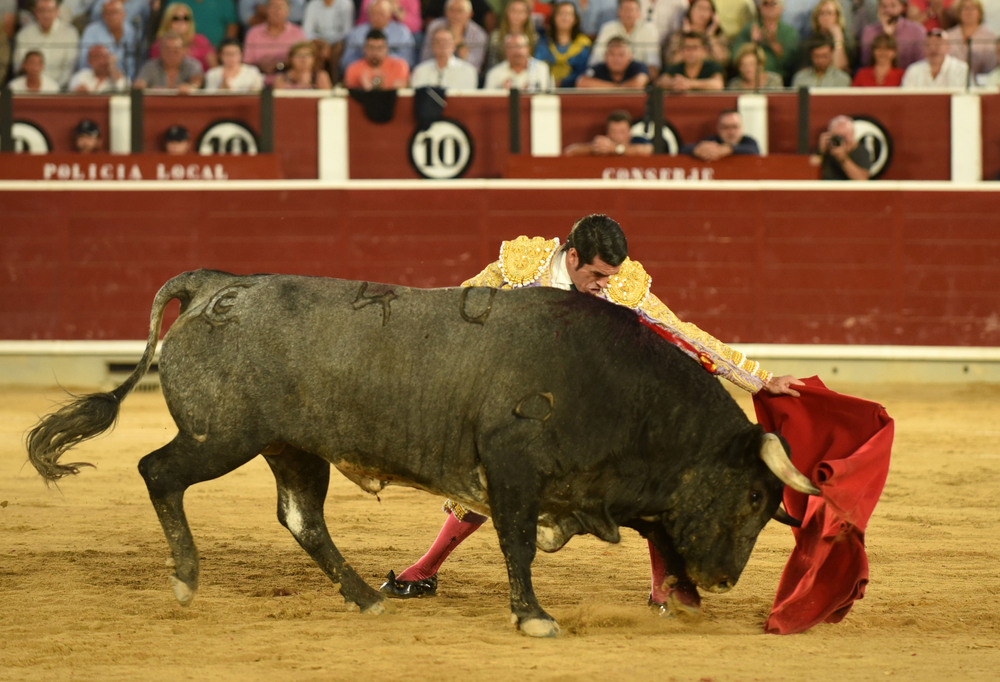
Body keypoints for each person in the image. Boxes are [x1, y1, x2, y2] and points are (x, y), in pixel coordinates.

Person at [378, 214, 805, 613]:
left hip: (593, 411)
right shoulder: (521, 272)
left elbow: (682, 334)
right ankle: (427, 569)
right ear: (573, 257)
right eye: (596, 275)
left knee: (653, 476)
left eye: (611, 276)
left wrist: (759, 379)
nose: (603, 285)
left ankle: (663, 589)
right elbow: (459, 309)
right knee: (494, 477)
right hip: (524, 405)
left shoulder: (622, 287)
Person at [12, 0, 79, 90]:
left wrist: (53, 88)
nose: (46, 15)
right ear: (35, 12)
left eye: (50, 10)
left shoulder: (70, 33)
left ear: (57, 11)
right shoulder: (24, 34)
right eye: (42, 10)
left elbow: (69, 69)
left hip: (59, 90)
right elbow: (19, 66)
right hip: (28, 89)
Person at [730, 0, 800, 84]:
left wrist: (772, 41)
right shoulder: (749, 29)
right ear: (759, 7)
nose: (769, 7)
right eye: (765, 3)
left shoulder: (789, 32)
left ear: (781, 8)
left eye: (774, 3)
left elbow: (790, 62)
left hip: (780, 80)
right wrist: (753, 44)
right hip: (748, 79)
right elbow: (735, 58)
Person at [589, 0, 662, 77]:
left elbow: (654, 65)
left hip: (639, 76)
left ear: (639, 13)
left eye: (632, 10)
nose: (629, 14)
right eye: (625, 9)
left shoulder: (649, 29)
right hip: (609, 76)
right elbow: (595, 60)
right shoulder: (607, 28)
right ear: (618, 12)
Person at [342, 0, 417, 70]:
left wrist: (384, 58)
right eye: (374, 13)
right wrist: (366, 60)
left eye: (381, 13)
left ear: (389, 15)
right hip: (363, 72)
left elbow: (409, 60)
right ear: (368, 14)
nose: (377, 18)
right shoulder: (357, 33)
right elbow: (345, 62)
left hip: (392, 72)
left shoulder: (402, 33)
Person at [243, 0, 309, 79]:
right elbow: (246, 64)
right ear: (266, 9)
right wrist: (261, 65)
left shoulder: (297, 33)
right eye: (273, 6)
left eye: (281, 7)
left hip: (288, 82)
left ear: (288, 11)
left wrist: (280, 64)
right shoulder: (253, 33)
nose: (277, 10)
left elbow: (304, 61)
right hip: (258, 80)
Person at [78, 0, 140, 80]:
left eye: (115, 12)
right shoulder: (91, 31)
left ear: (123, 14)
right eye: (107, 13)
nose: (112, 16)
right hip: (96, 78)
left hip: (124, 81)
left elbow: (132, 63)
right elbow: (84, 63)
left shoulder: (130, 31)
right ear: (102, 15)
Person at [534, 1, 591, 86]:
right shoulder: (543, 42)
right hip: (545, 88)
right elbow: (537, 66)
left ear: (575, 19)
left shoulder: (583, 44)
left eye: (568, 14)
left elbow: (584, 72)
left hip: (574, 91)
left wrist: (563, 83)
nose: (564, 17)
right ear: (554, 18)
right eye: (561, 13)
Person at [419, 0, 488, 71]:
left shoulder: (479, 34)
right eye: (452, 10)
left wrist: (460, 43)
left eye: (460, 11)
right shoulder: (434, 27)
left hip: (462, 74)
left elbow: (474, 68)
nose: (456, 15)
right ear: (445, 12)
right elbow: (425, 58)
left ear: (470, 14)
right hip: (435, 70)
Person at [860, 0, 927, 70]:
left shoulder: (917, 31)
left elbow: (921, 64)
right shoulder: (868, 31)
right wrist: (886, 35)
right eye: (883, 6)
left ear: (902, 8)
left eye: (893, 5)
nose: (888, 10)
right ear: (878, 8)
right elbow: (866, 63)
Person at [663, 0, 730, 71]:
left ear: (713, 15)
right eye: (699, 8)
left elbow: (723, 61)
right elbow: (670, 61)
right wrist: (687, 36)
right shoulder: (678, 34)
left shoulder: (717, 35)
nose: (702, 13)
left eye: (707, 9)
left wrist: (710, 36)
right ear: (690, 10)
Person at [148, 3, 217, 72]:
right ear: (167, 21)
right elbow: (155, 70)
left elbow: (214, 68)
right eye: (176, 19)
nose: (181, 22)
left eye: (185, 18)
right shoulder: (159, 44)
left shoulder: (201, 40)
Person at [302, 0, 355, 85]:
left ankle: (335, 83)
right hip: (319, 41)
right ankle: (316, 82)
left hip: (338, 41)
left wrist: (330, 44)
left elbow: (347, 31)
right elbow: (307, 31)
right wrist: (322, 43)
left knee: (337, 49)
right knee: (317, 50)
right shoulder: (313, 4)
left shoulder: (346, 4)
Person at [410, 25, 480, 88]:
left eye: (446, 41)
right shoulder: (420, 70)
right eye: (438, 42)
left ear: (454, 45)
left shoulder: (468, 71)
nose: (442, 45)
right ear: (432, 45)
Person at [133, 30, 205, 92]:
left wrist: (190, 87)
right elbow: (140, 84)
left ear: (183, 51)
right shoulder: (150, 66)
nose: (171, 54)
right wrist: (141, 87)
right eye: (167, 49)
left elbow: (197, 82)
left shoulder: (193, 65)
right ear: (160, 50)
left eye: (176, 50)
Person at [562, 109, 653, 156]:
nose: (618, 136)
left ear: (629, 132)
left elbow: (649, 150)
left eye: (622, 131)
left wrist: (616, 149)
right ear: (607, 133)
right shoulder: (602, 144)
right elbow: (569, 151)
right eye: (613, 131)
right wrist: (592, 148)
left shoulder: (638, 140)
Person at [655, 30, 725, 90]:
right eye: (687, 47)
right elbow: (661, 81)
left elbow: (718, 84)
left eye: (695, 48)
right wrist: (674, 83)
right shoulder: (677, 67)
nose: (691, 52)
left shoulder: (712, 66)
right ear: (681, 51)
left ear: (704, 50)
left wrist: (690, 84)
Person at [680, 108, 761, 160]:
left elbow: (754, 150)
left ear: (742, 127)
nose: (731, 132)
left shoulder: (749, 142)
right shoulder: (711, 142)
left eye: (735, 127)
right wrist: (696, 150)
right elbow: (683, 150)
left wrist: (728, 149)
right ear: (718, 129)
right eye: (726, 127)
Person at [343, 27, 411, 88]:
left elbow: (404, 92)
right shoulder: (353, 69)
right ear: (364, 49)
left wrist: (384, 86)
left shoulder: (399, 66)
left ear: (386, 49)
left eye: (379, 48)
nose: (375, 53)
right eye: (371, 48)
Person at [901, 26, 971, 84]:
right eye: (929, 44)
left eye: (938, 44)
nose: (933, 48)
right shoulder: (913, 70)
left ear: (948, 46)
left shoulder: (962, 69)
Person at [944, 0, 997, 76]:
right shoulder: (948, 36)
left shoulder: (990, 38)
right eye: (965, 8)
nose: (968, 12)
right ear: (959, 13)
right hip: (953, 81)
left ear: (980, 13)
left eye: (972, 8)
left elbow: (992, 66)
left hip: (981, 81)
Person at [482, 30, 552, 89]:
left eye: (519, 46)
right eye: (511, 47)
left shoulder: (542, 69)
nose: (516, 51)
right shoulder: (494, 73)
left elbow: (551, 98)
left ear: (528, 48)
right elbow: (487, 102)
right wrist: (502, 92)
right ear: (505, 51)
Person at [574, 34, 650, 87]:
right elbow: (581, 82)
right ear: (605, 55)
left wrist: (604, 87)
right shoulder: (598, 68)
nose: (616, 59)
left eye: (621, 55)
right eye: (612, 54)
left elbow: (639, 83)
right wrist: (617, 87)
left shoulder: (638, 67)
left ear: (630, 57)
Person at [811, 114, 872, 180]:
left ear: (852, 134)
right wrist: (820, 152)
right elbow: (808, 174)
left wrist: (842, 158)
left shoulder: (860, 150)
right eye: (838, 137)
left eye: (845, 136)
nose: (842, 141)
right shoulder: (826, 149)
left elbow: (862, 179)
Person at [806, 0, 854, 73]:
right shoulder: (811, 38)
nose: (825, 17)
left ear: (837, 16)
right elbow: (804, 69)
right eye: (821, 13)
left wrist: (838, 38)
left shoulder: (847, 38)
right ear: (816, 17)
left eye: (829, 13)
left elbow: (839, 68)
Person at [486, 0, 536, 70]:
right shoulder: (496, 36)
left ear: (527, 15)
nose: (517, 15)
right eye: (513, 10)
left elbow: (536, 66)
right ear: (507, 12)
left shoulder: (534, 38)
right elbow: (492, 66)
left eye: (521, 12)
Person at [170, 0, 240, 49]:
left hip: (216, 49)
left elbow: (232, 26)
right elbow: (167, 22)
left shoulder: (224, 1)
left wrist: (222, 49)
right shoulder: (175, 1)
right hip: (181, 49)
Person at [356, 0, 422, 37]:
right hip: (371, 33)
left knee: (417, 37)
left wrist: (397, 10)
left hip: (398, 35)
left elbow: (415, 27)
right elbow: (362, 22)